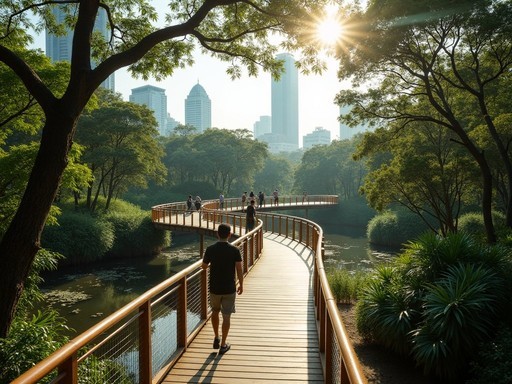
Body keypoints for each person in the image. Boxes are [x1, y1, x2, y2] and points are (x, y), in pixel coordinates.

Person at [202, 223, 244, 355]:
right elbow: (239, 268)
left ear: (217, 234)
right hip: (229, 288)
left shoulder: (210, 249)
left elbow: (204, 266)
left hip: (214, 288)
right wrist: (241, 284)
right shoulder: (235, 250)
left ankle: (216, 337)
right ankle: (223, 344)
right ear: (230, 235)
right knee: (226, 316)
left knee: (215, 312)